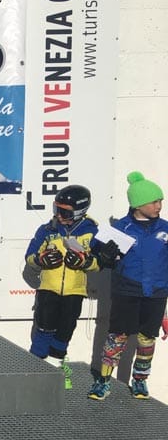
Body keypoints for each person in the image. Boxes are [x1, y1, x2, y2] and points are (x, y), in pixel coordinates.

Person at [88, 172, 168, 401]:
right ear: (138, 204)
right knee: (117, 337)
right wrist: (104, 255)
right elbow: (97, 253)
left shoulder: (165, 228)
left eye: (160, 201)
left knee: (146, 338)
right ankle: (103, 381)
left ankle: (140, 380)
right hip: (127, 289)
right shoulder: (120, 227)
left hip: (157, 291)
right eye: (153, 201)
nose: (158, 206)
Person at [24, 185, 99, 389]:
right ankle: (35, 367)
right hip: (49, 288)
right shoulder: (48, 230)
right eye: (56, 209)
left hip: (75, 290)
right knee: (44, 327)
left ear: (79, 211)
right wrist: (40, 259)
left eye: (64, 212)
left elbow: (99, 262)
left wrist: (85, 262)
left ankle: (56, 366)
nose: (58, 215)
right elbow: (29, 256)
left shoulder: (91, 231)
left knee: (66, 329)